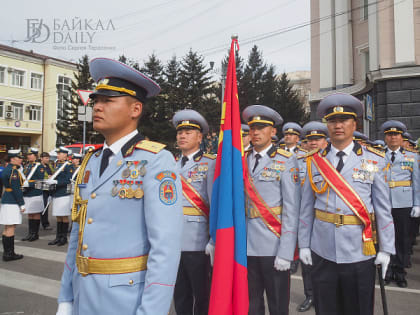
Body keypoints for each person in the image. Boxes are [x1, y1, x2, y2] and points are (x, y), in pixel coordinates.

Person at [56, 57, 183, 315]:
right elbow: (77, 236)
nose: (97, 107)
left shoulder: (156, 161)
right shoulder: (91, 161)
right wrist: (66, 297)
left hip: (126, 301)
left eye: (107, 101)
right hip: (83, 295)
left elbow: (165, 249)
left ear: (135, 109)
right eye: (96, 101)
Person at [298, 93, 395, 315]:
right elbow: (306, 208)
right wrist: (303, 244)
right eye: (332, 121)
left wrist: (387, 249)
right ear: (327, 126)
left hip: (359, 250)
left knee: (358, 308)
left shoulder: (374, 160)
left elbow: (383, 209)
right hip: (323, 249)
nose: (338, 125)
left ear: (354, 124)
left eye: (344, 121)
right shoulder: (314, 161)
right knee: (326, 308)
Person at [242, 105, 300, 315]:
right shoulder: (243, 160)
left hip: (273, 243)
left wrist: (286, 252)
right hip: (246, 245)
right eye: (252, 128)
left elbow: (292, 210)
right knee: (251, 304)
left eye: (261, 128)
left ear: (273, 132)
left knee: (277, 304)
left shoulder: (286, 160)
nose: (255, 132)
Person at [172, 109, 215, 315]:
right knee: (180, 294)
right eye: (180, 132)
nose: (182, 135)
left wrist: (213, 239)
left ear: (199, 137)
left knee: (202, 295)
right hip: (173, 241)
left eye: (188, 132)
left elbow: (214, 204)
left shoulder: (210, 164)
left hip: (198, 242)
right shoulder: (170, 165)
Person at [294, 121, 329, 313]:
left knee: (325, 262)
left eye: (318, 139)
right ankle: (310, 295)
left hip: (326, 218)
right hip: (305, 216)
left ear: (326, 141)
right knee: (307, 260)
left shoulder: (333, 161)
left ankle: (325, 296)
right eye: (311, 139)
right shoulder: (299, 162)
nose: (314, 143)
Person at [381, 120, 420, 287]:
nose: (393, 137)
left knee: (403, 239)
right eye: (390, 134)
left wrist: (417, 204)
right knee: (385, 238)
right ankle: (387, 270)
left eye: (396, 134)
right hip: (383, 203)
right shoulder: (377, 156)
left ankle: (400, 272)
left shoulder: (412, 156)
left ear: (401, 137)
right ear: (385, 137)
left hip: (404, 204)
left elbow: (416, 182)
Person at [0, 149, 25, 261]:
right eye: (18, 158)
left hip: (7, 200)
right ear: (12, 159)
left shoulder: (7, 169)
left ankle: (7, 253)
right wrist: (22, 204)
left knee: (7, 227)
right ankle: (9, 254)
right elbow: (16, 189)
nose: (20, 160)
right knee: (11, 227)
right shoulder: (13, 171)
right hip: (12, 201)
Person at [46, 147, 74, 246]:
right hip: (57, 193)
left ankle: (63, 238)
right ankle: (58, 237)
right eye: (58, 153)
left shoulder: (69, 166)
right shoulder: (58, 165)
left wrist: (56, 181)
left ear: (65, 155)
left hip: (64, 194)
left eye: (59, 153)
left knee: (64, 216)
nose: (57, 155)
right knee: (58, 216)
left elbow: (68, 180)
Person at [21, 148, 46, 242]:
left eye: (31, 155)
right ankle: (30, 233)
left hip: (35, 192)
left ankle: (35, 234)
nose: (29, 156)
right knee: (30, 213)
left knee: (35, 213)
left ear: (35, 156)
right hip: (27, 193)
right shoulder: (27, 166)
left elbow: (40, 180)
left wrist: (29, 184)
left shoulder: (39, 166)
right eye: (28, 155)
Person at [40, 151, 53, 230]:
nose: (48, 160)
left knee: (46, 206)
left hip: (48, 189)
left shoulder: (49, 166)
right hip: (41, 189)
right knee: (42, 206)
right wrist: (46, 177)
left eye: (48, 158)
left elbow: (54, 172)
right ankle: (43, 223)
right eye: (46, 158)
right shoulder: (38, 166)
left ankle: (45, 223)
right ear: (41, 158)